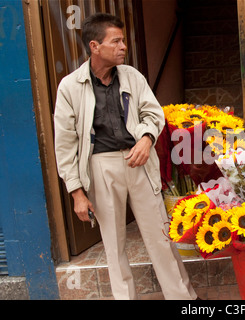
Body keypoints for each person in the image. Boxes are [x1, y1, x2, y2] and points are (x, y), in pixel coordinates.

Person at [54, 13, 198, 300]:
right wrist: (77, 193)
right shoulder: (70, 87)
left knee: (161, 236)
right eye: (116, 41)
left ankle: (184, 299)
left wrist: (146, 139)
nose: (123, 46)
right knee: (113, 243)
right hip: (101, 167)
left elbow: (153, 113)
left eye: (123, 41)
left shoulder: (132, 76)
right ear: (95, 46)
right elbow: (65, 144)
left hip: (139, 161)